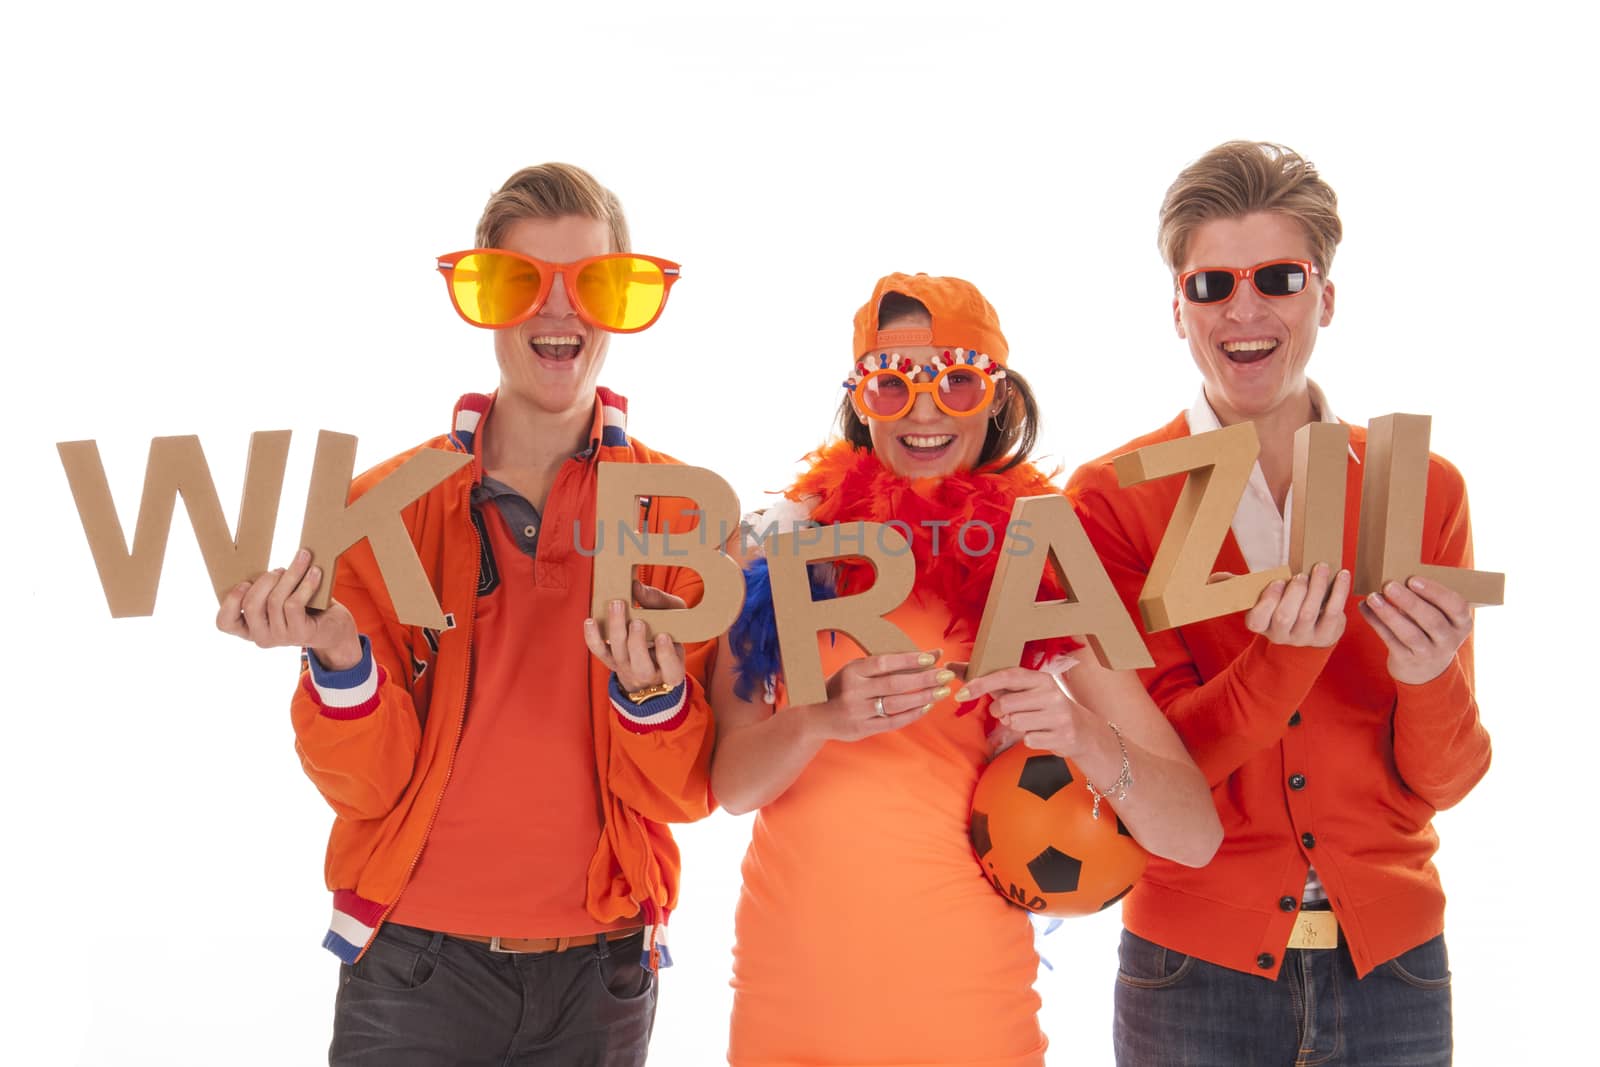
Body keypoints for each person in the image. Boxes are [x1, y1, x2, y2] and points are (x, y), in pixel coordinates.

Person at [215, 163, 716, 1066]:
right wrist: (337, 651)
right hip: (414, 975)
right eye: (523, 281)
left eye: (591, 283)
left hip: (600, 981)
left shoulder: (679, 515)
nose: (558, 311)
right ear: (483, 297)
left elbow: (685, 791)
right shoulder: (384, 508)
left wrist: (654, 693)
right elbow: (365, 786)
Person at [712, 273, 1222, 1066]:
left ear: (996, 397)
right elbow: (733, 786)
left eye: (955, 381)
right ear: (861, 399)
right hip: (788, 1000)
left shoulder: (1040, 565)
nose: (923, 412)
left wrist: (1079, 732)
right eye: (892, 385)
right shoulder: (782, 544)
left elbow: (1191, 832)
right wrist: (821, 717)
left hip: (967, 1010)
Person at [1066, 142, 1491, 1066]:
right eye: (1211, 283)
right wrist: (1283, 660)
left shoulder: (1424, 490)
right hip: (1191, 970)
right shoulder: (1110, 498)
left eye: (1279, 277)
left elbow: (1447, 781)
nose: (1244, 309)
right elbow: (1168, 771)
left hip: (1396, 967)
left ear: (1325, 297)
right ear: (1177, 308)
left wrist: (1428, 678)